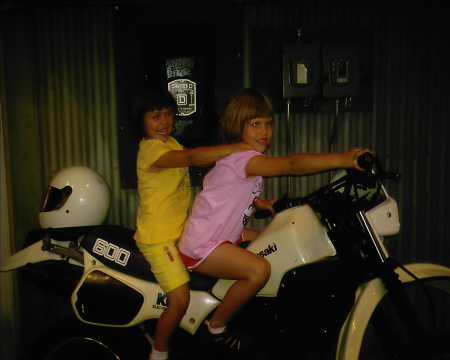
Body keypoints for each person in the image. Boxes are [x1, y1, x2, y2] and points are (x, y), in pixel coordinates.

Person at [178, 88, 370, 352]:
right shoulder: (246, 159)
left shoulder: (238, 158)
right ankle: (216, 327)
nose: (264, 131)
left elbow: (225, 191)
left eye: (268, 124)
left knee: (273, 243)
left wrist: (262, 203)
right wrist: (342, 158)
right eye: (255, 124)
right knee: (260, 270)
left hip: (220, 233)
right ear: (237, 127)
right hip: (203, 244)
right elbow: (292, 165)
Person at [131, 82, 251, 360]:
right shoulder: (151, 150)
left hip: (179, 229)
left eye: (168, 113)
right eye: (155, 116)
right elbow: (194, 158)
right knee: (180, 299)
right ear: (141, 120)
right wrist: (234, 147)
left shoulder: (169, 142)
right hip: (157, 239)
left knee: (249, 236)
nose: (164, 121)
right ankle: (159, 352)